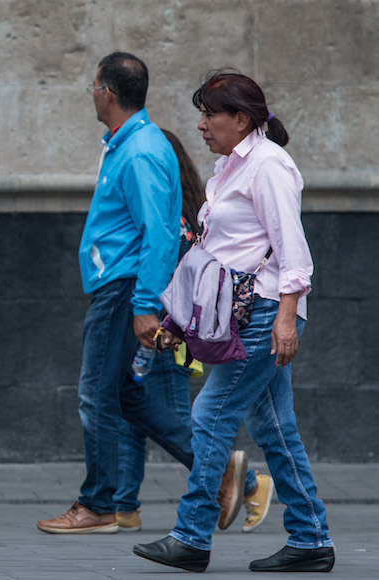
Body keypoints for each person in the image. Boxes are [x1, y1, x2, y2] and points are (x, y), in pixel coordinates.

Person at [37, 52, 246, 534]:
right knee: (124, 395)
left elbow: (159, 233)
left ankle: (98, 505)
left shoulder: (141, 150)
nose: (92, 95)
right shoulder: (132, 144)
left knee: (95, 394)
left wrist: (145, 304)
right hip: (122, 284)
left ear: (108, 93)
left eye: (93, 88)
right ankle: (217, 469)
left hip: (124, 286)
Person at [134, 70, 335, 573]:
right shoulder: (230, 166)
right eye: (201, 114)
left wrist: (285, 319)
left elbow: (294, 252)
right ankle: (311, 538)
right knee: (275, 427)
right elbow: (218, 250)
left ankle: (191, 536)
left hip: (265, 312)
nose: (201, 125)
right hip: (243, 312)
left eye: (209, 115)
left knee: (210, 414)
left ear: (241, 119)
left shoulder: (268, 165)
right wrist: (178, 318)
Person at [113, 130, 268, 534]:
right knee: (133, 411)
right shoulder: (183, 214)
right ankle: (123, 504)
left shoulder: (175, 225)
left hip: (166, 336)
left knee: (177, 422)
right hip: (154, 333)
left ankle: (249, 484)